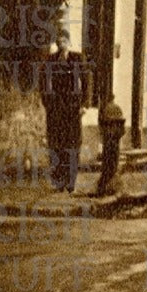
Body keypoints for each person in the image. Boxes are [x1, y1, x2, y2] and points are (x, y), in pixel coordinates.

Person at [41, 32, 85, 193]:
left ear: (69, 42)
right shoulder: (50, 61)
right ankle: (59, 181)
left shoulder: (77, 59)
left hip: (73, 110)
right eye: (59, 42)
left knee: (72, 146)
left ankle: (71, 181)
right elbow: (43, 83)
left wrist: (85, 104)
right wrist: (48, 104)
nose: (62, 44)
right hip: (56, 111)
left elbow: (87, 82)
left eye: (64, 41)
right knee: (57, 146)